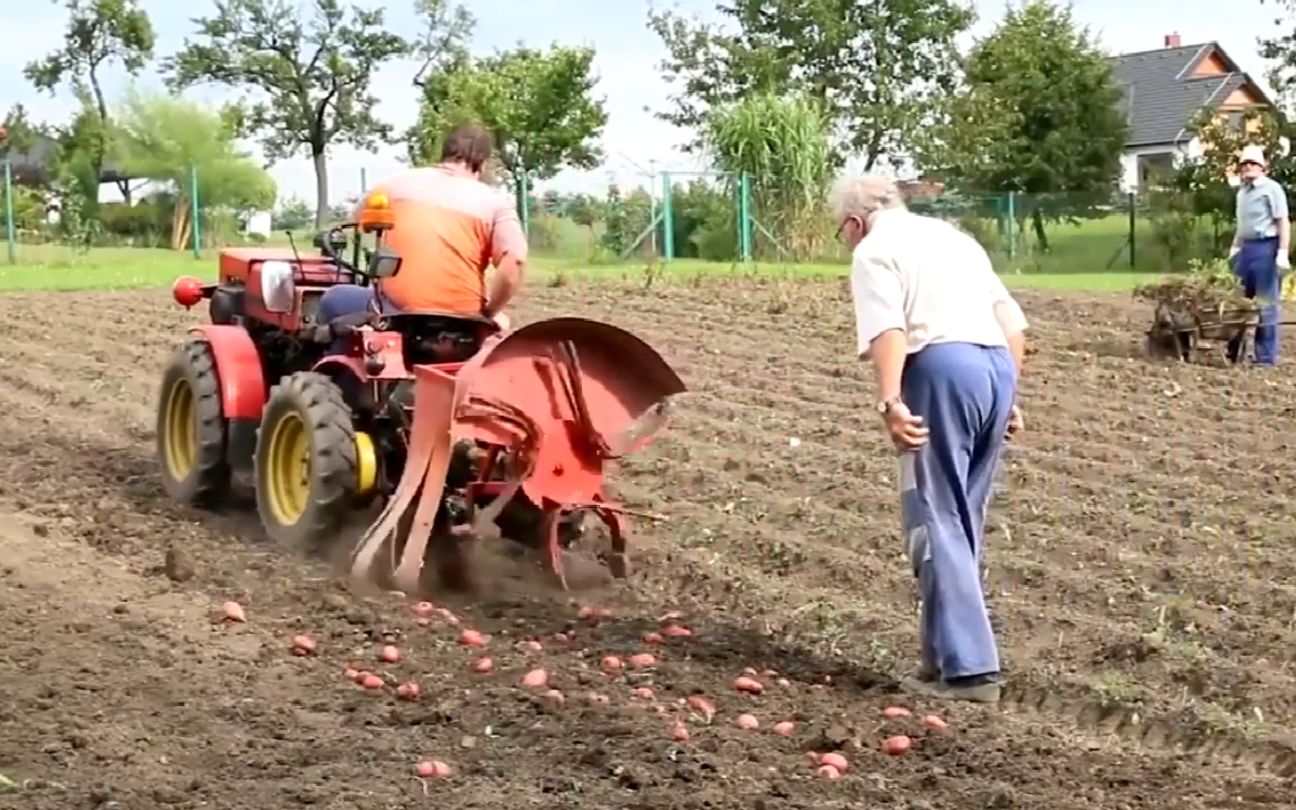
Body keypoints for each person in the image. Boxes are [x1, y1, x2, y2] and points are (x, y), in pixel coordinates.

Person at [833, 175, 1028, 704]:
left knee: (935, 514)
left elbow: (887, 332)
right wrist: (1007, 396)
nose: (846, 241)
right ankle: (939, 658)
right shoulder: (953, 237)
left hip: (940, 368)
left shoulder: (874, 250)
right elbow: (1011, 322)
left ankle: (971, 671)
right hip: (994, 367)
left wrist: (891, 402)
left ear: (854, 222)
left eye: (841, 233)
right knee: (964, 515)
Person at [316, 123, 527, 334]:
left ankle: (327, 361)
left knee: (333, 298)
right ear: (483, 163)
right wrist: (490, 312)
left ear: (445, 153)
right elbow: (515, 261)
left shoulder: (395, 185)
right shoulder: (496, 203)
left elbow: (356, 221)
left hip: (397, 314)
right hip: (465, 320)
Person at [1226, 144, 1290, 366]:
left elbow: (1283, 221)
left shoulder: (1272, 189)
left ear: (1263, 167)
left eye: (1253, 163)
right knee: (1238, 303)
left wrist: (1282, 253)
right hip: (1246, 250)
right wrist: (1234, 248)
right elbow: (1242, 225)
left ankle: (1264, 359)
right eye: (1245, 164)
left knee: (1266, 304)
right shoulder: (1242, 193)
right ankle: (1232, 352)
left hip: (1266, 249)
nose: (1248, 167)